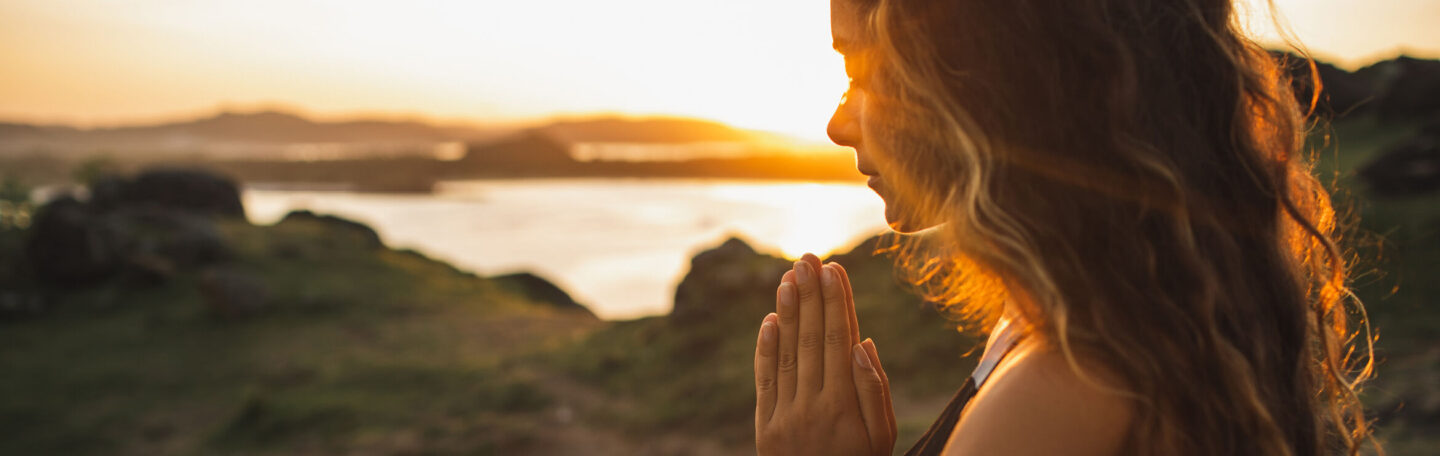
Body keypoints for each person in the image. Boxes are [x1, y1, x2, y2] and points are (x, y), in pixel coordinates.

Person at [751, 0, 1377, 455]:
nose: (838, 124)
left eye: (861, 72)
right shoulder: (1119, 323)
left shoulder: (1061, 393)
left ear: (984, 74)